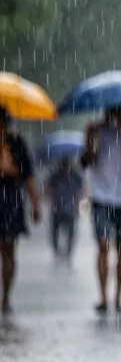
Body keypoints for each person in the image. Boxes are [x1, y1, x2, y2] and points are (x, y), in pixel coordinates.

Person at [82, 105, 121, 316]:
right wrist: (89, 140)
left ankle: (118, 297)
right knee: (102, 245)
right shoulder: (96, 131)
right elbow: (85, 162)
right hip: (100, 196)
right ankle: (103, 297)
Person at [0, 107, 41, 315]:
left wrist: (35, 203)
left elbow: (27, 176)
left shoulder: (16, 143)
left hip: (10, 201)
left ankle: (6, 296)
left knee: (9, 249)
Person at [45, 157, 84, 262]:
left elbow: (81, 191)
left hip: (69, 209)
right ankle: (57, 251)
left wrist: (78, 204)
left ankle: (67, 252)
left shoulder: (75, 176)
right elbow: (49, 190)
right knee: (56, 232)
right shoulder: (56, 176)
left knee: (70, 232)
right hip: (58, 208)